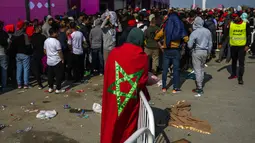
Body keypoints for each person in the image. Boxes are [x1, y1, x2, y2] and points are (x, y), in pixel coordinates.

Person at [101, 28, 149, 143]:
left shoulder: (114, 52)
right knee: (126, 127)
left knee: (110, 124)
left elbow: (108, 72)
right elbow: (142, 80)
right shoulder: (141, 57)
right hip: (128, 99)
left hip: (112, 97)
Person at [155, 11, 188, 93]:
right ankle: (175, 88)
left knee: (165, 69)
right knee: (176, 70)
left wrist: (162, 45)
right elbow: (186, 38)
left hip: (166, 50)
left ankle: (164, 87)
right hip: (176, 50)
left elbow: (157, 37)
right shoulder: (180, 25)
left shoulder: (166, 25)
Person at [220, 13, 251, 85]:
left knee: (241, 63)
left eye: (235, 17)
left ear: (238, 16)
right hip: (233, 46)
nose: (234, 19)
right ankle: (233, 74)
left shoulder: (245, 24)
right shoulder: (231, 24)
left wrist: (247, 45)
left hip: (242, 46)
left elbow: (248, 35)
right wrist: (221, 43)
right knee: (233, 61)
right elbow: (226, 34)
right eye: (232, 18)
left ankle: (240, 78)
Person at [188, 17, 212, 94]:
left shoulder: (194, 32)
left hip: (197, 51)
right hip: (205, 51)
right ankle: (200, 83)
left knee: (197, 69)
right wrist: (209, 52)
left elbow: (189, 45)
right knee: (201, 68)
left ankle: (199, 87)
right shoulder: (208, 31)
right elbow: (210, 43)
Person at [44, 28, 64, 94]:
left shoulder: (46, 41)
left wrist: (49, 55)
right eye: (56, 32)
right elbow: (59, 51)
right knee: (58, 75)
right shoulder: (56, 41)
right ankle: (58, 89)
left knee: (50, 75)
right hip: (56, 60)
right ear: (53, 33)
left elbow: (45, 50)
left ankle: (50, 87)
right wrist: (62, 59)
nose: (58, 34)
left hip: (49, 61)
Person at [12, 20, 31, 89]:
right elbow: (28, 45)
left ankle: (19, 84)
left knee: (19, 69)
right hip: (25, 53)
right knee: (26, 69)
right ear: (23, 27)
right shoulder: (24, 35)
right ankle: (26, 84)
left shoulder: (14, 35)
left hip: (17, 54)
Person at [0, 21, 9, 91]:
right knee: (4, 70)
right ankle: (4, 86)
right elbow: (7, 43)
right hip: (3, 53)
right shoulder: (4, 34)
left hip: (2, 53)